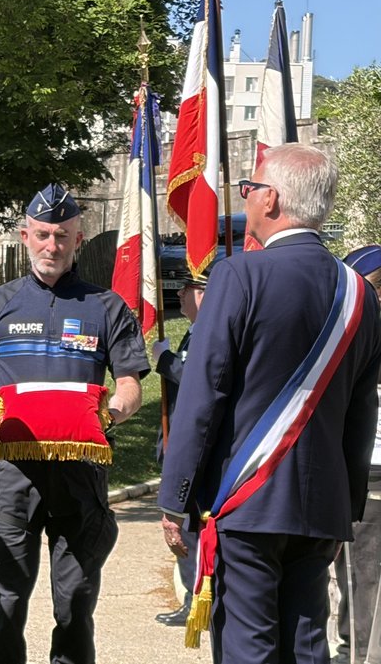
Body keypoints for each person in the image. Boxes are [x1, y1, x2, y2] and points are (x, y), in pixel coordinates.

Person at [158, 144, 381, 663]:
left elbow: (203, 393)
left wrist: (176, 496)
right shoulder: (361, 294)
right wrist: (345, 502)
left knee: (248, 644)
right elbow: (360, 410)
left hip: (247, 501)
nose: (248, 197)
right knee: (307, 645)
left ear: (273, 199)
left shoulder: (240, 275)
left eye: (250, 188)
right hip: (322, 504)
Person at [0, 184, 148, 664]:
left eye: (63, 236)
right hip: (14, 474)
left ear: (79, 240)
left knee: (76, 604)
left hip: (81, 474)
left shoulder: (107, 307)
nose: (52, 245)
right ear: (25, 235)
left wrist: (111, 412)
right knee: (6, 600)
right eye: (43, 234)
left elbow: (130, 385)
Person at [151, 268, 209, 628]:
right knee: (185, 529)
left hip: (194, 449)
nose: (180, 297)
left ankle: (197, 602)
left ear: (201, 293)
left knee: (187, 528)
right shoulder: (194, 331)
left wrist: (165, 361)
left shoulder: (208, 331)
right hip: (180, 443)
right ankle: (194, 598)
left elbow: (195, 381)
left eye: (186, 290)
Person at [335, 244, 381, 664]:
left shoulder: (361, 336)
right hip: (366, 471)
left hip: (370, 472)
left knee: (361, 577)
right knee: (360, 577)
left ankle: (359, 654)